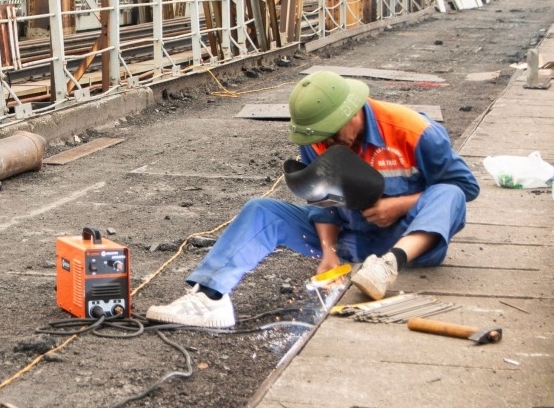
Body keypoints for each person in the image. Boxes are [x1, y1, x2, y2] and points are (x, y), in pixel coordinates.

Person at [145, 71, 479, 328]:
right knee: (261, 210)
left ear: (353, 112)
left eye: (333, 134)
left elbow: (466, 188)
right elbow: (323, 200)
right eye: (320, 137)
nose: (328, 142)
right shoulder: (317, 139)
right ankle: (210, 298)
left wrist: (399, 205)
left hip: (408, 242)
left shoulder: (414, 130)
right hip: (352, 240)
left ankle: (388, 265)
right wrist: (330, 252)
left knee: (448, 192)